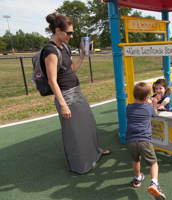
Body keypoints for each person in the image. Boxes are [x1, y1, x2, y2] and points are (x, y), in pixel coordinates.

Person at [43, 13, 110, 174]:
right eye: (69, 33)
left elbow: (71, 69)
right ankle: (79, 165)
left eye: (72, 32)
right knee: (74, 133)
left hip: (77, 92)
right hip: (66, 97)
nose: (71, 36)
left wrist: (82, 54)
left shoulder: (64, 47)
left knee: (89, 124)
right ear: (58, 30)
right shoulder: (50, 51)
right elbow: (52, 81)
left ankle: (95, 153)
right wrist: (63, 105)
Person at [125, 82, 166, 200]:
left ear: (133, 95)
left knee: (135, 159)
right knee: (153, 162)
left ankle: (138, 178)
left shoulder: (129, 107)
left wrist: (147, 101)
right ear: (147, 97)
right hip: (144, 141)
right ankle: (154, 183)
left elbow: (136, 108)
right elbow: (155, 112)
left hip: (130, 141)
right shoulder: (148, 108)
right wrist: (154, 103)